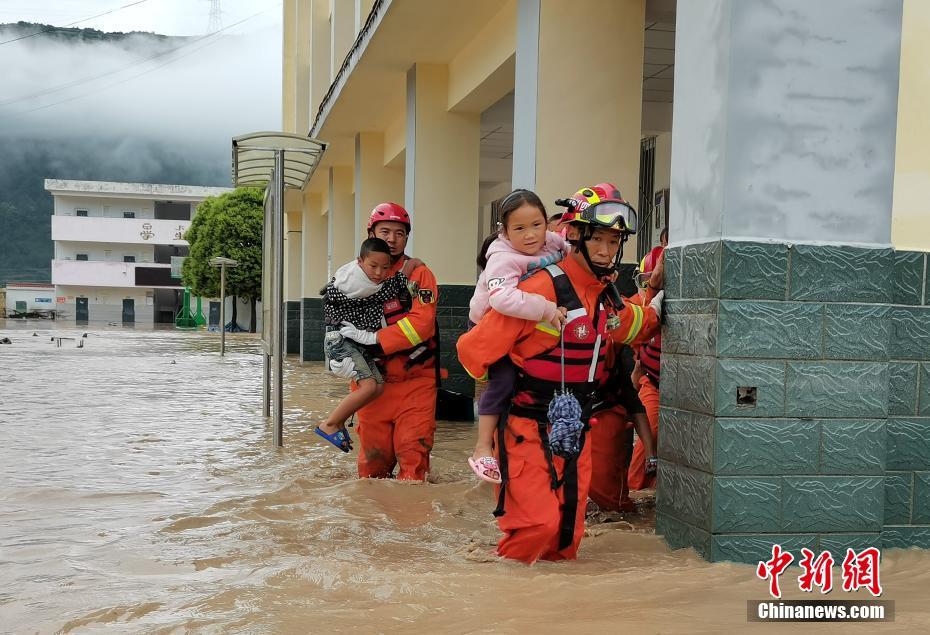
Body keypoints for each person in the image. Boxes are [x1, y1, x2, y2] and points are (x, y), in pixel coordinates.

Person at [456, 183, 663, 564]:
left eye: (614, 243)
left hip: (575, 429)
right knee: (537, 526)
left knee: (567, 536)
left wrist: (656, 294)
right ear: (574, 237)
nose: (606, 251)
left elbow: (635, 326)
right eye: (597, 240)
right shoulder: (536, 291)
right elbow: (471, 352)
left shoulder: (606, 294)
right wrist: (507, 376)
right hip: (525, 426)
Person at [332, 203, 440, 481]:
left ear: (407, 237)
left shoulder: (419, 275)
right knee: (371, 469)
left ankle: (409, 521)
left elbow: (422, 323)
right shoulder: (353, 276)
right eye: (385, 232)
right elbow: (336, 315)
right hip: (372, 386)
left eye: (399, 233)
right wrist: (338, 355)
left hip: (416, 382)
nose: (392, 239)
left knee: (413, 462)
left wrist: (375, 340)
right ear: (371, 233)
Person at [467, 189, 568, 484]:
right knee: (504, 381)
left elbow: (572, 254)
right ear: (505, 231)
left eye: (536, 225)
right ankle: (482, 447)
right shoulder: (501, 257)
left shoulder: (553, 241)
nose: (530, 235)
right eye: (519, 229)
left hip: (525, 327)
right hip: (490, 327)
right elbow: (501, 300)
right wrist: (547, 309)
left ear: (545, 222)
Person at [314, 237, 419, 452]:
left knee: (377, 387)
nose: (379, 273)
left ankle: (339, 422)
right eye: (373, 266)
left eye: (385, 267)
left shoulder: (354, 272)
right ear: (359, 261)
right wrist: (410, 266)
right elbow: (389, 289)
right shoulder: (358, 282)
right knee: (369, 386)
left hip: (353, 341)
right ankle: (330, 424)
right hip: (342, 340)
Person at [627, 245, 665, 490]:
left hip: (684, 390)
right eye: (645, 281)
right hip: (650, 381)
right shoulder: (636, 305)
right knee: (643, 456)